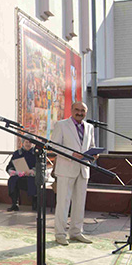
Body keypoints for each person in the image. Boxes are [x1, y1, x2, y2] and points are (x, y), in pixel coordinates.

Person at [50, 101, 95, 246]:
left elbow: (92, 146)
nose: (80, 113)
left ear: (86, 112)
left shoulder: (89, 127)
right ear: (71, 110)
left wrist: (94, 155)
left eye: (83, 110)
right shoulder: (61, 125)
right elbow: (54, 146)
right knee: (63, 203)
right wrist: (71, 154)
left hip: (83, 170)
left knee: (79, 203)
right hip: (66, 170)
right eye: (77, 110)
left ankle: (76, 232)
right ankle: (60, 234)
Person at [6, 138, 36, 212]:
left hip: (32, 176)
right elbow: (10, 166)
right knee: (12, 180)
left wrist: (32, 171)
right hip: (19, 175)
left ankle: (35, 203)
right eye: (26, 142)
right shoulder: (17, 153)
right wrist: (13, 171)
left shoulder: (36, 153)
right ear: (23, 143)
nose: (28, 144)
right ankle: (14, 204)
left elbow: (40, 166)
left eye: (30, 142)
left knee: (33, 181)